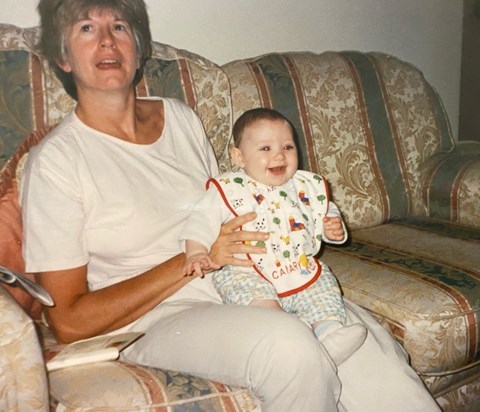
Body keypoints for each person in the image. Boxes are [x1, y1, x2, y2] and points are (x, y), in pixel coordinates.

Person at [21, 0, 440, 410]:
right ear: (63, 57)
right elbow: (69, 322)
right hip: (156, 318)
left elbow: (229, 201)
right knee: (289, 346)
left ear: (137, 45)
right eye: (87, 29)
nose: (108, 42)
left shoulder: (180, 118)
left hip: (247, 284)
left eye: (119, 27)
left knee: (372, 351)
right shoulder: (57, 162)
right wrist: (199, 259)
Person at [181, 108, 367, 366]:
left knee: (323, 285)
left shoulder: (305, 185)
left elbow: (324, 211)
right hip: (246, 271)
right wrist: (197, 252)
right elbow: (199, 221)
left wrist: (332, 229)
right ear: (239, 157)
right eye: (265, 148)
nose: (280, 154)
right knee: (256, 300)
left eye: (288, 147)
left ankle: (329, 333)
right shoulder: (230, 189)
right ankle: (291, 332)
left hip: (298, 266)